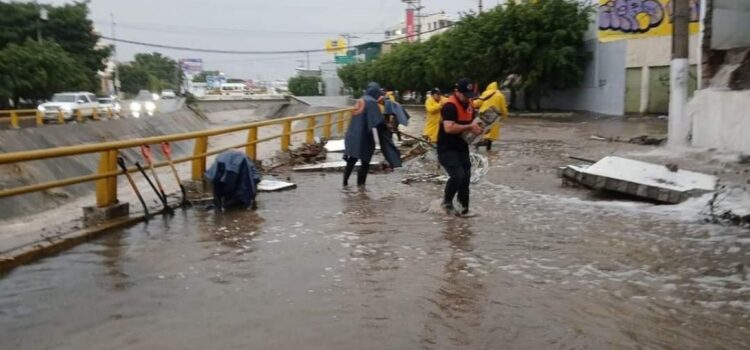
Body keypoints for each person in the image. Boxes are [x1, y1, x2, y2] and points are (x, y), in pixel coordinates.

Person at [438, 78, 483, 216]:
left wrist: (479, 129)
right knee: (457, 175)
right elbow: (449, 128)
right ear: (457, 91)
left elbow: (474, 123)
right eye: (465, 95)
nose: (467, 98)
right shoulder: (449, 106)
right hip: (447, 148)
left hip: (462, 147)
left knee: (466, 177)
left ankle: (464, 208)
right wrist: (470, 126)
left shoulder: (470, 105)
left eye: (469, 95)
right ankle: (446, 202)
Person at [343, 82, 402, 187]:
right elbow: (378, 121)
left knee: (352, 160)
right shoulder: (371, 102)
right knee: (365, 161)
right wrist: (388, 127)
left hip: (351, 135)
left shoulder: (360, 99)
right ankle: (361, 188)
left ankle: (345, 184)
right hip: (363, 136)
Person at [473, 81, 509, 150]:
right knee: (490, 136)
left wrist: (471, 104)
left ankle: (477, 150)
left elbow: (478, 102)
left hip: (483, 115)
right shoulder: (500, 95)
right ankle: (488, 151)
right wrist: (505, 116)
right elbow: (503, 108)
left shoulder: (485, 93)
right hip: (493, 116)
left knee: (481, 133)